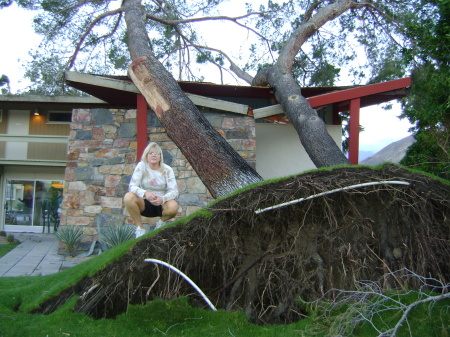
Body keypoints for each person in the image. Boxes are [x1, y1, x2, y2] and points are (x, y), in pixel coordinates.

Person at [124, 142, 179, 238]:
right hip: (144, 202)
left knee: (174, 206)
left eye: (157, 153)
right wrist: (145, 193)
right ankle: (140, 229)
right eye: (151, 153)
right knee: (128, 197)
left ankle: (161, 223)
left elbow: (174, 191)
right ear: (146, 155)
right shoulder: (141, 166)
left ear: (160, 156)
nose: (154, 155)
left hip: (161, 203)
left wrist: (162, 199)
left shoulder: (167, 169)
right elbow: (132, 186)